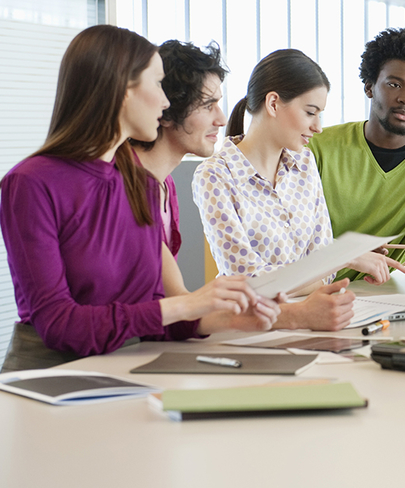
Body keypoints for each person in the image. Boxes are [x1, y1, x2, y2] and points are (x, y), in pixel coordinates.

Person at [0, 25, 281, 373]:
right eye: (156, 85)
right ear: (122, 90)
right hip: (49, 378)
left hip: (120, 369)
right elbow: (59, 325)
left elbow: (147, 316)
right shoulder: (31, 183)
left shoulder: (141, 185)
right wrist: (188, 305)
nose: (165, 103)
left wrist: (230, 317)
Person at [193, 49, 405, 330]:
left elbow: (321, 266)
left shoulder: (304, 163)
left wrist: (320, 270)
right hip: (251, 330)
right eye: (310, 112)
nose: (318, 127)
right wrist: (343, 258)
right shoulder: (215, 175)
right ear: (273, 103)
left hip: (315, 318)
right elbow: (249, 283)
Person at [306, 28, 405, 286]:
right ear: (369, 87)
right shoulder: (316, 147)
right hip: (303, 291)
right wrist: (346, 254)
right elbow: (292, 241)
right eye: (394, 84)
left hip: (374, 298)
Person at [129, 40, 227, 297]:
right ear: (167, 110)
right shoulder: (124, 183)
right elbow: (176, 300)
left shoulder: (165, 183)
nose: (222, 119)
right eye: (208, 105)